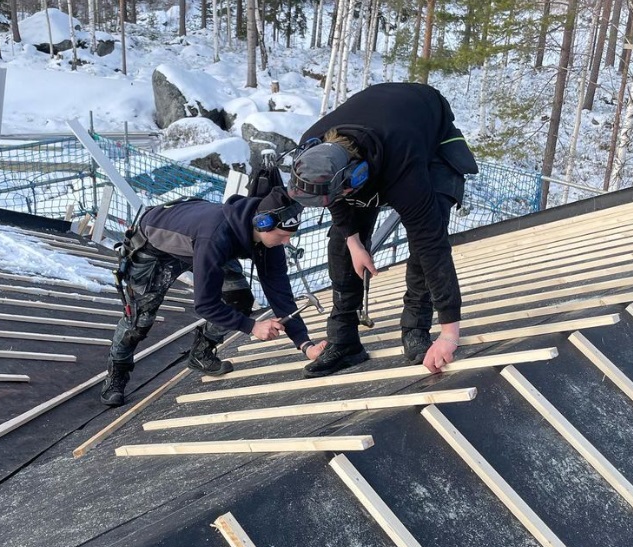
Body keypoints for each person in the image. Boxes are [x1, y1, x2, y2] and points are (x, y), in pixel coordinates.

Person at [288, 82, 478, 378]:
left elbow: (431, 244)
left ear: (355, 176)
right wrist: (353, 241)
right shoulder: (311, 148)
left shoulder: (402, 166)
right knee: (341, 241)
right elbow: (335, 201)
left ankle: (416, 326)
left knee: (426, 235)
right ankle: (344, 341)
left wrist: (450, 335)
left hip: (429, 137)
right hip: (380, 124)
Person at [100, 186, 327, 406]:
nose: (286, 242)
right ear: (262, 224)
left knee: (238, 299)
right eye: (282, 236)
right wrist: (252, 327)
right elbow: (205, 304)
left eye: (290, 235)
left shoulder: (269, 239)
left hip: (198, 242)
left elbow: (280, 292)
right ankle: (116, 375)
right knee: (139, 321)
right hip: (155, 247)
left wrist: (304, 343)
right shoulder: (217, 238)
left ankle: (201, 353)